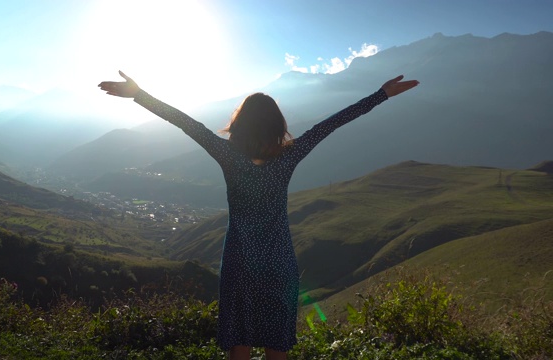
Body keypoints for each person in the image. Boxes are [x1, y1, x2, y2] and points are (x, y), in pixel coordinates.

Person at [98, 71, 419, 360]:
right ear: (277, 127)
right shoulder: (289, 156)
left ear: (239, 124)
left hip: (239, 262)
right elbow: (330, 124)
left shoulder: (227, 155)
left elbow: (185, 123)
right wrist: (381, 95)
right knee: (276, 345)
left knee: (239, 345)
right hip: (278, 263)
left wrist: (139, 95)